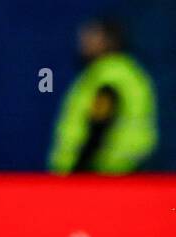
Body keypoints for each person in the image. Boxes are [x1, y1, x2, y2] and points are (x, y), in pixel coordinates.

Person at [49, 18, 157, 174]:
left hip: (104, 174)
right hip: (122, 171)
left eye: (91, 37)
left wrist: (79, 169)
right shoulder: (126, 72)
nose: (83, 42)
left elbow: (99, 123)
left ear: (108, 41)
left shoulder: (109, 77)